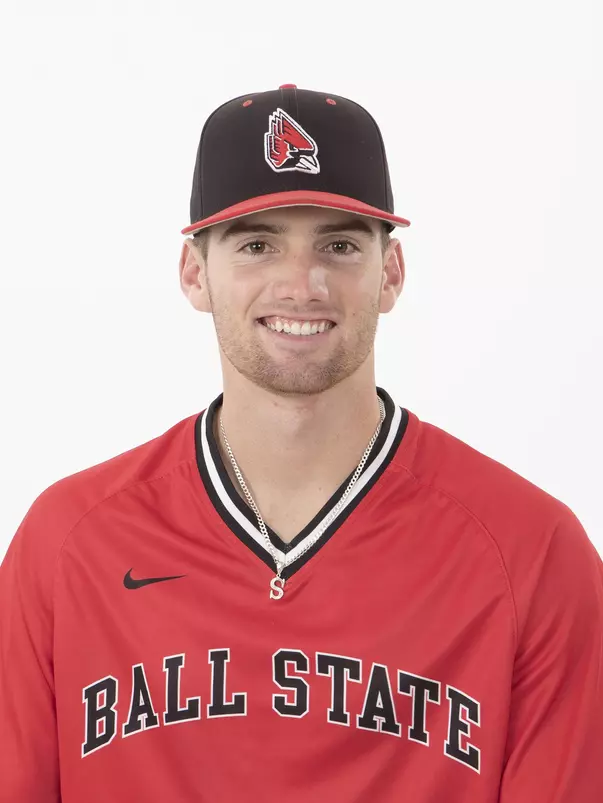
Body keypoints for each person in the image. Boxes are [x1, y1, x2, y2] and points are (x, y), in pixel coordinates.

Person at [0, 84, 601, 803]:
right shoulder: (69, 543)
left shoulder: (530, 551)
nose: (302, 282)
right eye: (257, 244)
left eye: (339, 244)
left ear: (391, 273)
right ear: (195, 273)